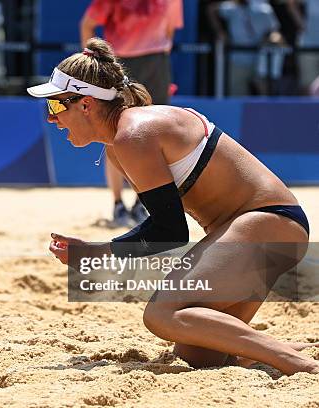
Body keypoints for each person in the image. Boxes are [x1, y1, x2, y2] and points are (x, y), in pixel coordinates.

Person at [27, 38, 318, 375]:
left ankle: (295, 361)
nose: (51, 119)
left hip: (268, 225)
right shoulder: (122, 144)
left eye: (55, 106)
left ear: (87, 104)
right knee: (199, 356)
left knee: (161, 315)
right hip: (262, 230)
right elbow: (164, 228)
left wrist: (95, 253)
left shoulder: (133, 134)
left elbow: (169, 230)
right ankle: (264, 353)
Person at [80, 0, 183, 228]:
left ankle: (141, 204)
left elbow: (169, 31)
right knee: (113, 134)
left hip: (156, 62)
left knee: (155, 137)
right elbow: (87, 25)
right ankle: (118, 204)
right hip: (120, 63)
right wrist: (93, 65)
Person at [207, 0, 285, 96]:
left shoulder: (264, 9)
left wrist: (273, 39)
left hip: (260, 61)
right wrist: (220, 32)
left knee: (265, 93)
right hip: (237, 59)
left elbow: (274, 31)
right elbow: (211, 9)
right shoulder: (230, 7)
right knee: (236, 94)